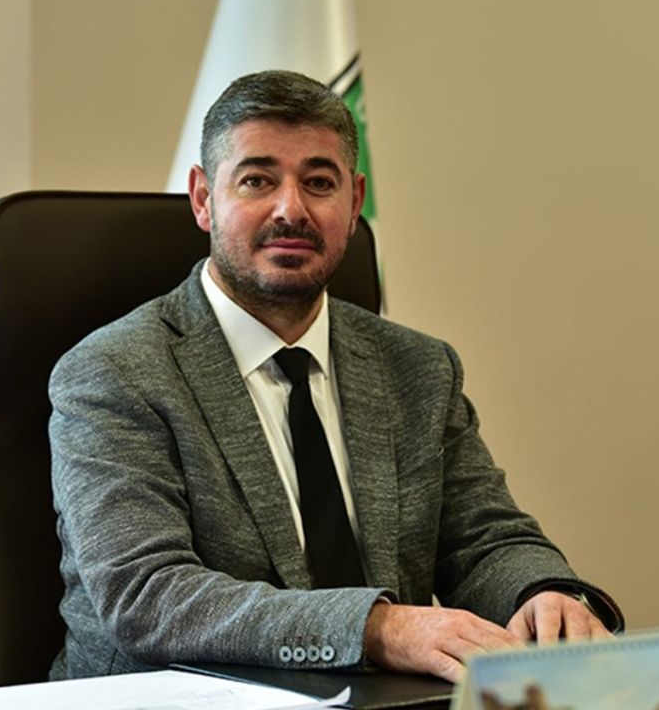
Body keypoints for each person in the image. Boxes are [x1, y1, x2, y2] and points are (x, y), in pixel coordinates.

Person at [48, 70, 622, 683]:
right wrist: (375, 628)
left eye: (319, 182)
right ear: (203, 199)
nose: (290, 209)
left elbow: (484, 540)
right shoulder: (114, 372)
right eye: (257, 180)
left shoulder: (418, 368)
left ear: (353, 204)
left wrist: (540, 594)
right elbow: (148, 596)